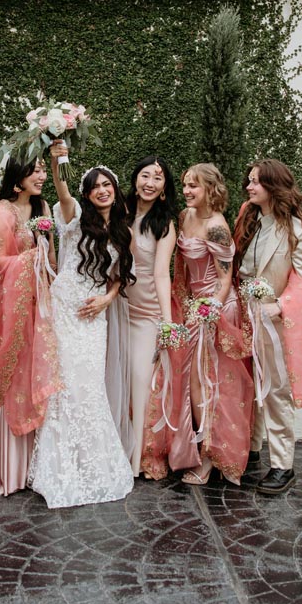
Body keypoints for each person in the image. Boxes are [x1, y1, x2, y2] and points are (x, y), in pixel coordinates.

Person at [28, 144, 136, 508]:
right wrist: (60, 157)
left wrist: (107, 299)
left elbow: (120, 275)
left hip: (95, 316)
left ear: (115, 191)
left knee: (89, 385)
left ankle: (93, 464)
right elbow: (60, 187)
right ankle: (60, 467)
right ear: (87, 193)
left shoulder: (124, 230)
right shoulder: (74, 217)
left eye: (108, 185)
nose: (102, 190)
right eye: (95, 186)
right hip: (64, 310)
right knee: (64, 386)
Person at [234, 158, 302, 496]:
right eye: (249, 180)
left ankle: (283, 466)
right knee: (252, 388)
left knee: (276, 392)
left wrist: (279, 307)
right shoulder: (250, 221)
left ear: (273, 185)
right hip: (245, 321)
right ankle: (253, 449)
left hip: (276, 326)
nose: (249, 186)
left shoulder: (296, 230)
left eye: (256, 181)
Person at [170, 163, 254, 486]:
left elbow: (224, 279)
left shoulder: (217, 227)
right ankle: (202, 448)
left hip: (217, 307)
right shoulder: (184, 217)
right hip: (194, 306)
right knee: (195, 382)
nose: (188, 191)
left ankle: (209, 459)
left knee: (211, 381)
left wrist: (210, 311)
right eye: (186, 185)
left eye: (195, 186)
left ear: (210, 189)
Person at [0, 156, 61, 497]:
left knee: (39, 372)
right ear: (17, 178)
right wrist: (32, 260)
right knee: (17, 373)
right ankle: (10, 466)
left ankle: (39, 463)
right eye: (35, 171)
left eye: (44, 170)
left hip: (40, 304)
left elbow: (52, 255)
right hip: (12, 307)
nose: (42, 176)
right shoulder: (3, 212)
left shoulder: (43, 206)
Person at [124, 155, 177, 480]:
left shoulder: (165, 224)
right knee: (116, 377)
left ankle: (138, 457)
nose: (150, 183)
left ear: (163, 189)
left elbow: (161, 275)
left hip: (146, 311)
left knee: (141, 377)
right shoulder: (119, 212)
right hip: (116, 305)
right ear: (135, 179)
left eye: (158, 179)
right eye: (145, 175)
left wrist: (166, 322)